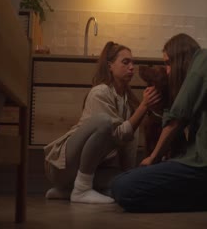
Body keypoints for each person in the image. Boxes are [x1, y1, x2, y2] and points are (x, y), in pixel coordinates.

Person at [111, 33, 207, 212]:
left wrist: (153, 158)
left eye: (167, 63)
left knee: (123, 188)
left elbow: (177, 118)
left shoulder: (205, 58)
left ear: (180, 57)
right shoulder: (201, 70)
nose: (167, 70)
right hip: (203, 162)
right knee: (120, 182)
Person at [43, 41, 160, 204]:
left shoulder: (127, 102)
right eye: (125, 62)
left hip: (89, 169)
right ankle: (81, 189)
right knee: (103, 122)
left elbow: (128, 142)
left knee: (120, 187)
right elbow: (119, 134)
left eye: (133, 63)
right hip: (62, 166)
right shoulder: (100, 92)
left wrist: (127, 176)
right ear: (110, 66)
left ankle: (67, 190)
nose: (132, 67)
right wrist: (144, 106)